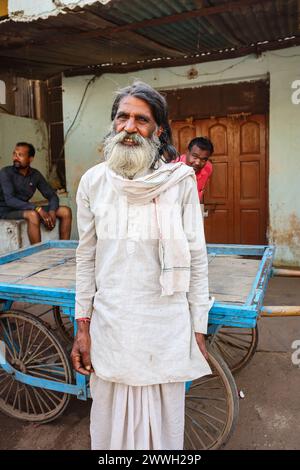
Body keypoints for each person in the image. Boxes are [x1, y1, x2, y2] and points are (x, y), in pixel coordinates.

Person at [71, 81, 212, 450]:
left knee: (163, 430)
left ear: (158, 129)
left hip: (164, 323)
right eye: (122, 117)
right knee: (110, 427)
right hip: (111, 322)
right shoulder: (93, 182)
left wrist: (198, 327)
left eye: (141, 119)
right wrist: (82, 326)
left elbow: (196, 256)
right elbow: (85, 258)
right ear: (113, 124)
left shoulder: (179, 181)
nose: (130, 127)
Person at [0, 142, 72, 244]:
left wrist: (52, 211)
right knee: (33, 215)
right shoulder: (5, 173)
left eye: (20, 155)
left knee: (65, 211)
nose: (16, 158)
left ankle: (64, 247)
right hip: (6, 210)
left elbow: (52, 196)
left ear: (30, 159)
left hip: (23, 208)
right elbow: (10, 200)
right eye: (14, 154)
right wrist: (37, 208)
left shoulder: (35, 175)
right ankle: (37, 255)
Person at [178, 137, 214, 202]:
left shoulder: (208, 168)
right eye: (195, 156)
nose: (198, 163)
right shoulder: (173, 166)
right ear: (187, 152)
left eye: (203, 159)